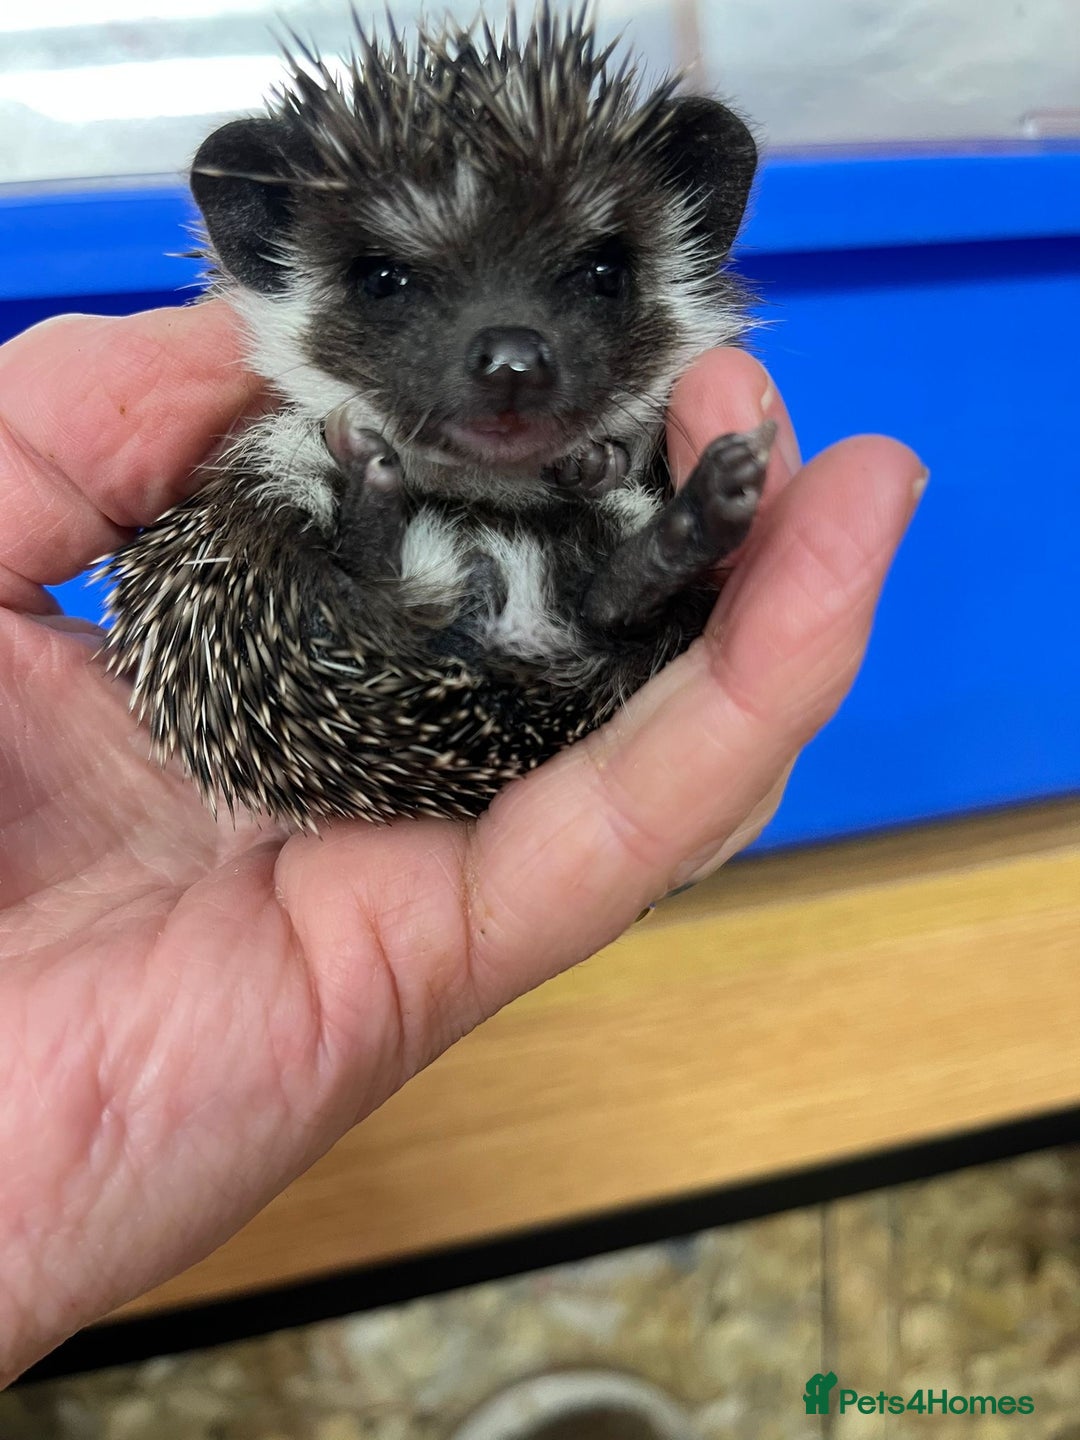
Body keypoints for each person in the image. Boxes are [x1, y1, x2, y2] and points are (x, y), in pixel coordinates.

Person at [0, 302, 923, 1384]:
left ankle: (521, 567)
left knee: (591, 608)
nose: (513, 346)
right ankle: (493, 566)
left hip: (481, 610)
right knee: (545, 590)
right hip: (360, 595)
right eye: (394, 274)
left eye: (590, 272)